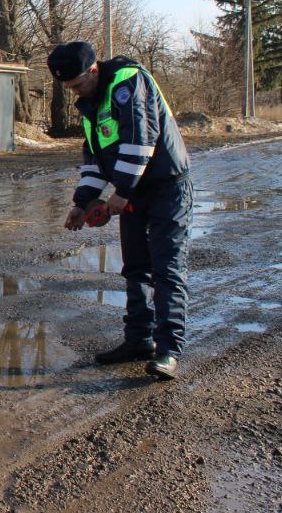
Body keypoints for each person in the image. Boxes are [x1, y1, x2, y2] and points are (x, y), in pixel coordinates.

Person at [48, 40, 192, 380]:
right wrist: (82, 204)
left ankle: (169, 350)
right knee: (136, 267)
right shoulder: (91, 103)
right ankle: (138, 339)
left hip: (165, 185)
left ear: (94, 70)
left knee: (167, 268)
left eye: (78, 84)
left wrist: (122, 192)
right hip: (133, 191)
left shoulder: (128, 82)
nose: (74, 93)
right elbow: (95, 157)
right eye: (68, 88)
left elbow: (141, 138)